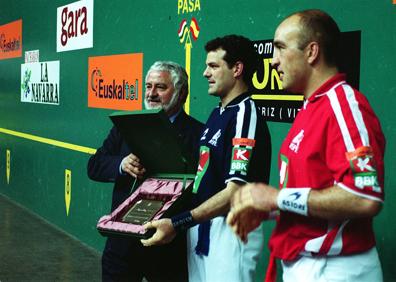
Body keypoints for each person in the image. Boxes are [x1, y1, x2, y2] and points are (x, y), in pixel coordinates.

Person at [227, 9, 385, 282]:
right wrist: (271, 208)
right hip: (305, 266)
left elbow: (365, 196)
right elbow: (315, 191)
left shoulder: (344, 105)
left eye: (280, 48)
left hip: (337, 270)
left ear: (312, 52)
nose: (273, 62)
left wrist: (277, 198)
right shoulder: (310, 106)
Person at [141, 35, 272, 282]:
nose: (205, 73)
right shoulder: (217, 113)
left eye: (213, 66)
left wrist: (180, 221)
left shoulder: (245, 115)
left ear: (237, 69)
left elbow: (235, 191)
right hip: (201, 227)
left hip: (231, 231)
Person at [87, 61, 204, 282]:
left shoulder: (199, 134)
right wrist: (121, 165)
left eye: (160, 87)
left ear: (182, 94)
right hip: (121, 246)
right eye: (148, 86)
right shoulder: (126, 127)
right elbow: (94, 165)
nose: (151, 93)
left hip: (168, 248)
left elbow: (201, 192)